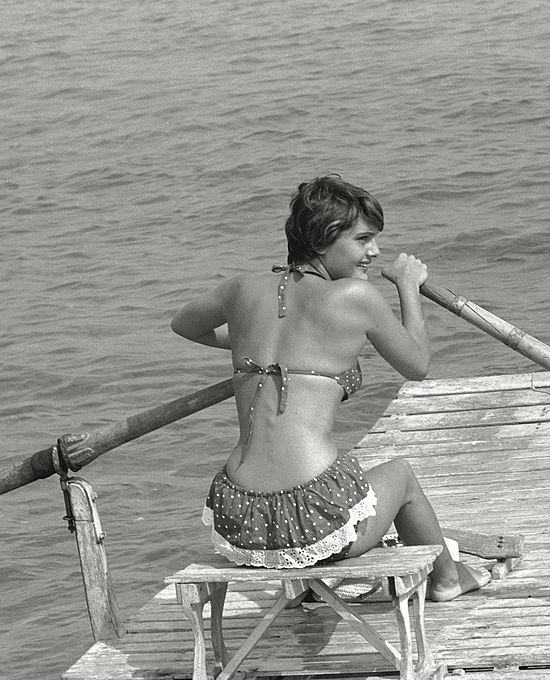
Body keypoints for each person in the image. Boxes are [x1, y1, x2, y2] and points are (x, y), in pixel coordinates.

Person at [171, 175, 490, 601]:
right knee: (401, 476)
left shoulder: (240, 288)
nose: (373, 252)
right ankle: (448, 580)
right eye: (363, 240)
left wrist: (247, 340)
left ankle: (309, 584)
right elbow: (417, 364)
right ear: (322, 240)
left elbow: (184, 325)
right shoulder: (355, 296)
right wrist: (407, 287)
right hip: (313, 518)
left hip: (239, 518)